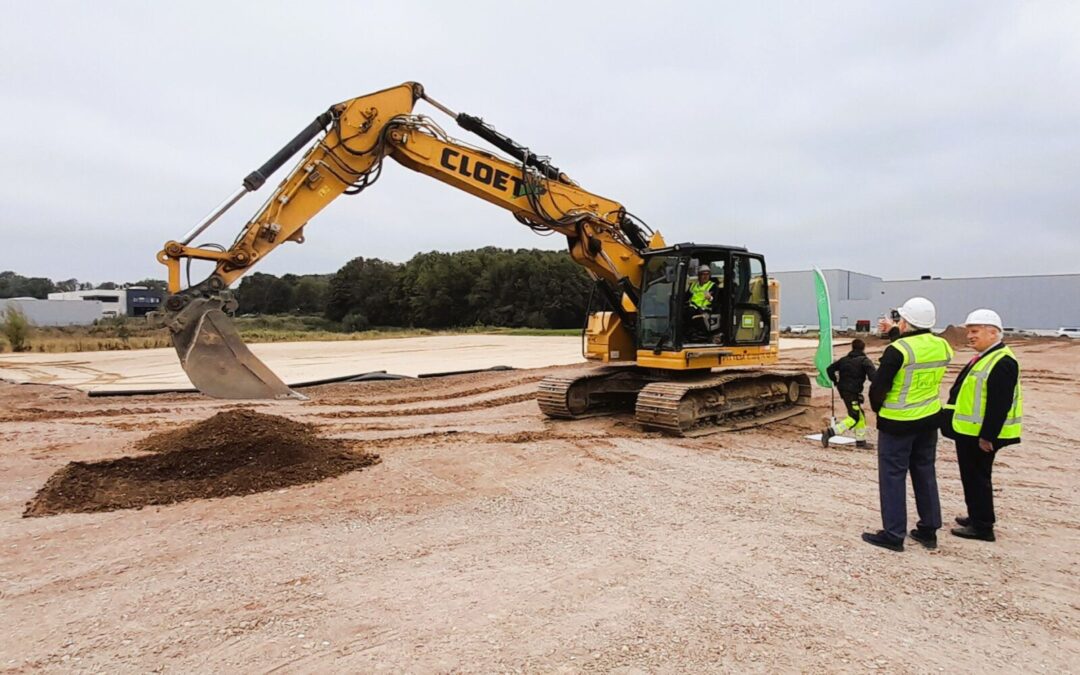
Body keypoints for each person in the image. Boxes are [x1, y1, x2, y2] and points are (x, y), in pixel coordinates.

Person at [862, 297, 954, 552]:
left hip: (898, 423)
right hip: (928, 420)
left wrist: (878, 409)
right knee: (925, 473)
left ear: (906, 322)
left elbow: (879, 387)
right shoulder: (943, 346)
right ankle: (929, 529)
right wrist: (894, 331)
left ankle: (893, 534)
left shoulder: (898, 350)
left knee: (893, 476)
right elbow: (914, 351)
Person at [940, 309, 1022, 542]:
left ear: (993, 332)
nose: (969, 336)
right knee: (971, 476)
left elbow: (1000, 403)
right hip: (969, 431)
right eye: (969, 331)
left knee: (978, 477)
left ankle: (983, 526)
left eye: (975, 331)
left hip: (980, 435)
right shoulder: (987, 356)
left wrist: (988, 436)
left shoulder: (1002, 361)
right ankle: (976, 516)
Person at [822, 338, 877, 448]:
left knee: (860, 415)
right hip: (852, 393)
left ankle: (861, 441)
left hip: (845, 391)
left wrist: (835, 381)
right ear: (863, 348)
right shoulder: (864, 361)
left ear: (852, 347)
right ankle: (830, 432)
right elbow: (874, 377)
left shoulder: (844, 360)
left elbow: (829, 369)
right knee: (854, 417)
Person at [686, 264, 720, 342]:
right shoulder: (693, 285)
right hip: (693, 307)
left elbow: (716, 302)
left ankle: (691, 334)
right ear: (699, 275)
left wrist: (710, 298)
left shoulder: (713, 286)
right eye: (703, 274)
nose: (705, 276)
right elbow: (686, 297)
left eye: (707, 274)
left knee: (689, 312)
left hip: (704, 309)